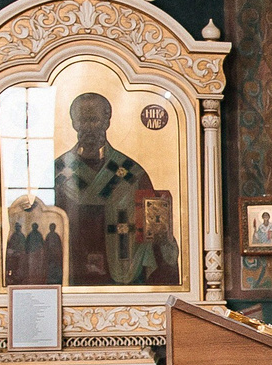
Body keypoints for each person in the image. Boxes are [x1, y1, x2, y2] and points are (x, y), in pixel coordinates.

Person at [55, 93, 179, 287]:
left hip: (122, 273)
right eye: (82, 120)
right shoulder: (58, 173)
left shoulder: (132, 173)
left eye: (94, 120)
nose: (88, 127)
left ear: (107, 121)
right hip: (72, 274)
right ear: (73, 123)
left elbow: (156, 232)